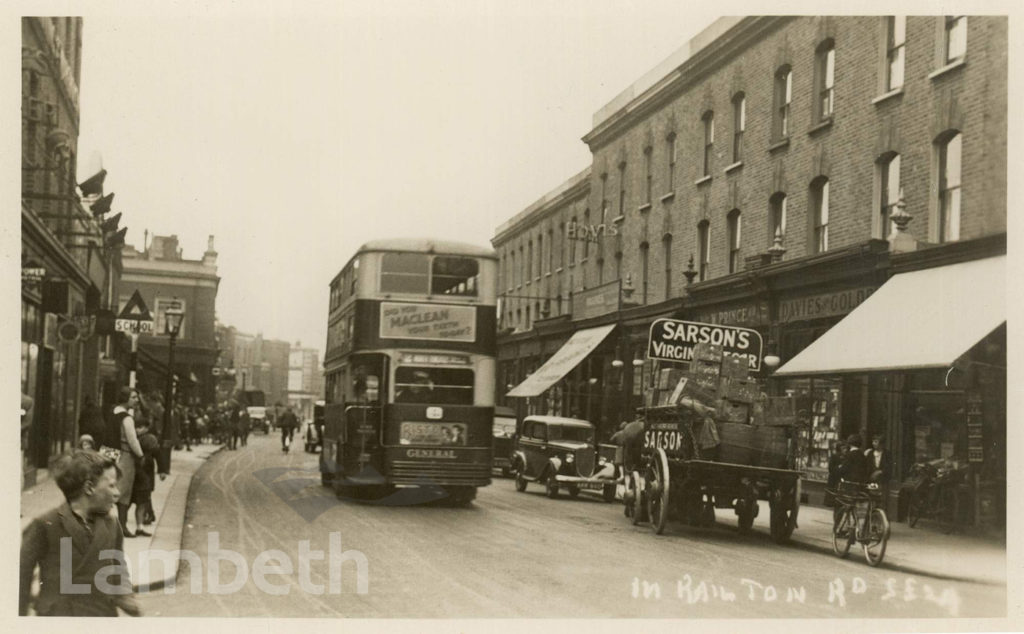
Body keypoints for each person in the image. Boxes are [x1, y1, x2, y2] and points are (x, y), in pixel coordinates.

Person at [19, 450, 140, 616]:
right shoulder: (46, 524)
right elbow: (20, 577)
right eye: (111, 485)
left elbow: (118, 569)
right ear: (89, 488)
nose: (117, 493)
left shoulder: (111, 525)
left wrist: (125, 596)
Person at [108, 387, 145, 536]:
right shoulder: (127, 418)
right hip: (125, 455)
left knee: (110, 486)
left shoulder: (112, 413)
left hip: (111, 453)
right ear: (126, 399)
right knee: (124, 492)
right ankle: (122, 526)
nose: (136, 400)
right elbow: (133, 440)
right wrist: (141, 455)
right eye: (134, 397)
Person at [130, 425, 160, 537]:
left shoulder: (145, 441)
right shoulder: (145, 454)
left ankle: (140, 525)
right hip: (139, 478)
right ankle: (141, 523)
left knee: (140, 501)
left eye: (140, 427)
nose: (137, 429)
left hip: (140, 477)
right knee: (139, 501)